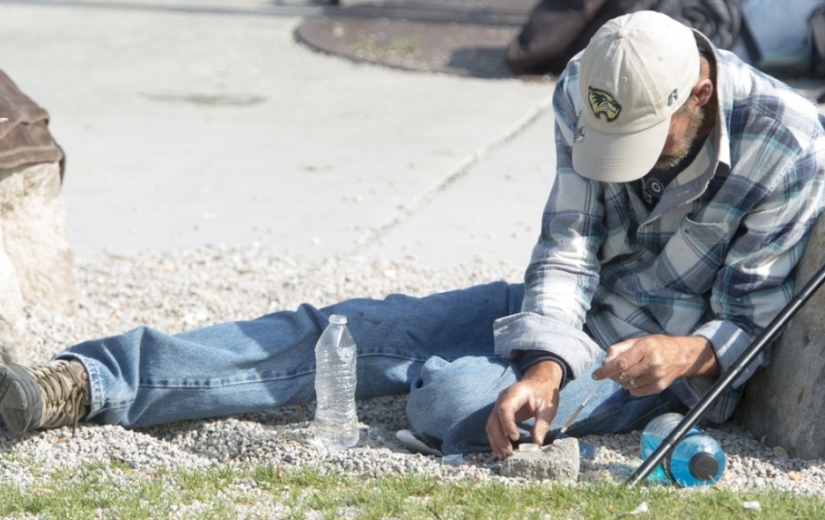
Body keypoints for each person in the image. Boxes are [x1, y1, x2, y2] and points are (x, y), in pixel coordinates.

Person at [1, 10, 824, 459]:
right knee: (341, 334)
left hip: (654, 370)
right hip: (561, 320)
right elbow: (566, 245)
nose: (630, 166)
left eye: (650, 141)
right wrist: (543, 362)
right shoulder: (586, 85)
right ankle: (82, 383)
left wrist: (681, 356)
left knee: (452, 399)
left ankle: (459, 378)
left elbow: (750, 316)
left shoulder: (788, 145)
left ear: (700, 92)